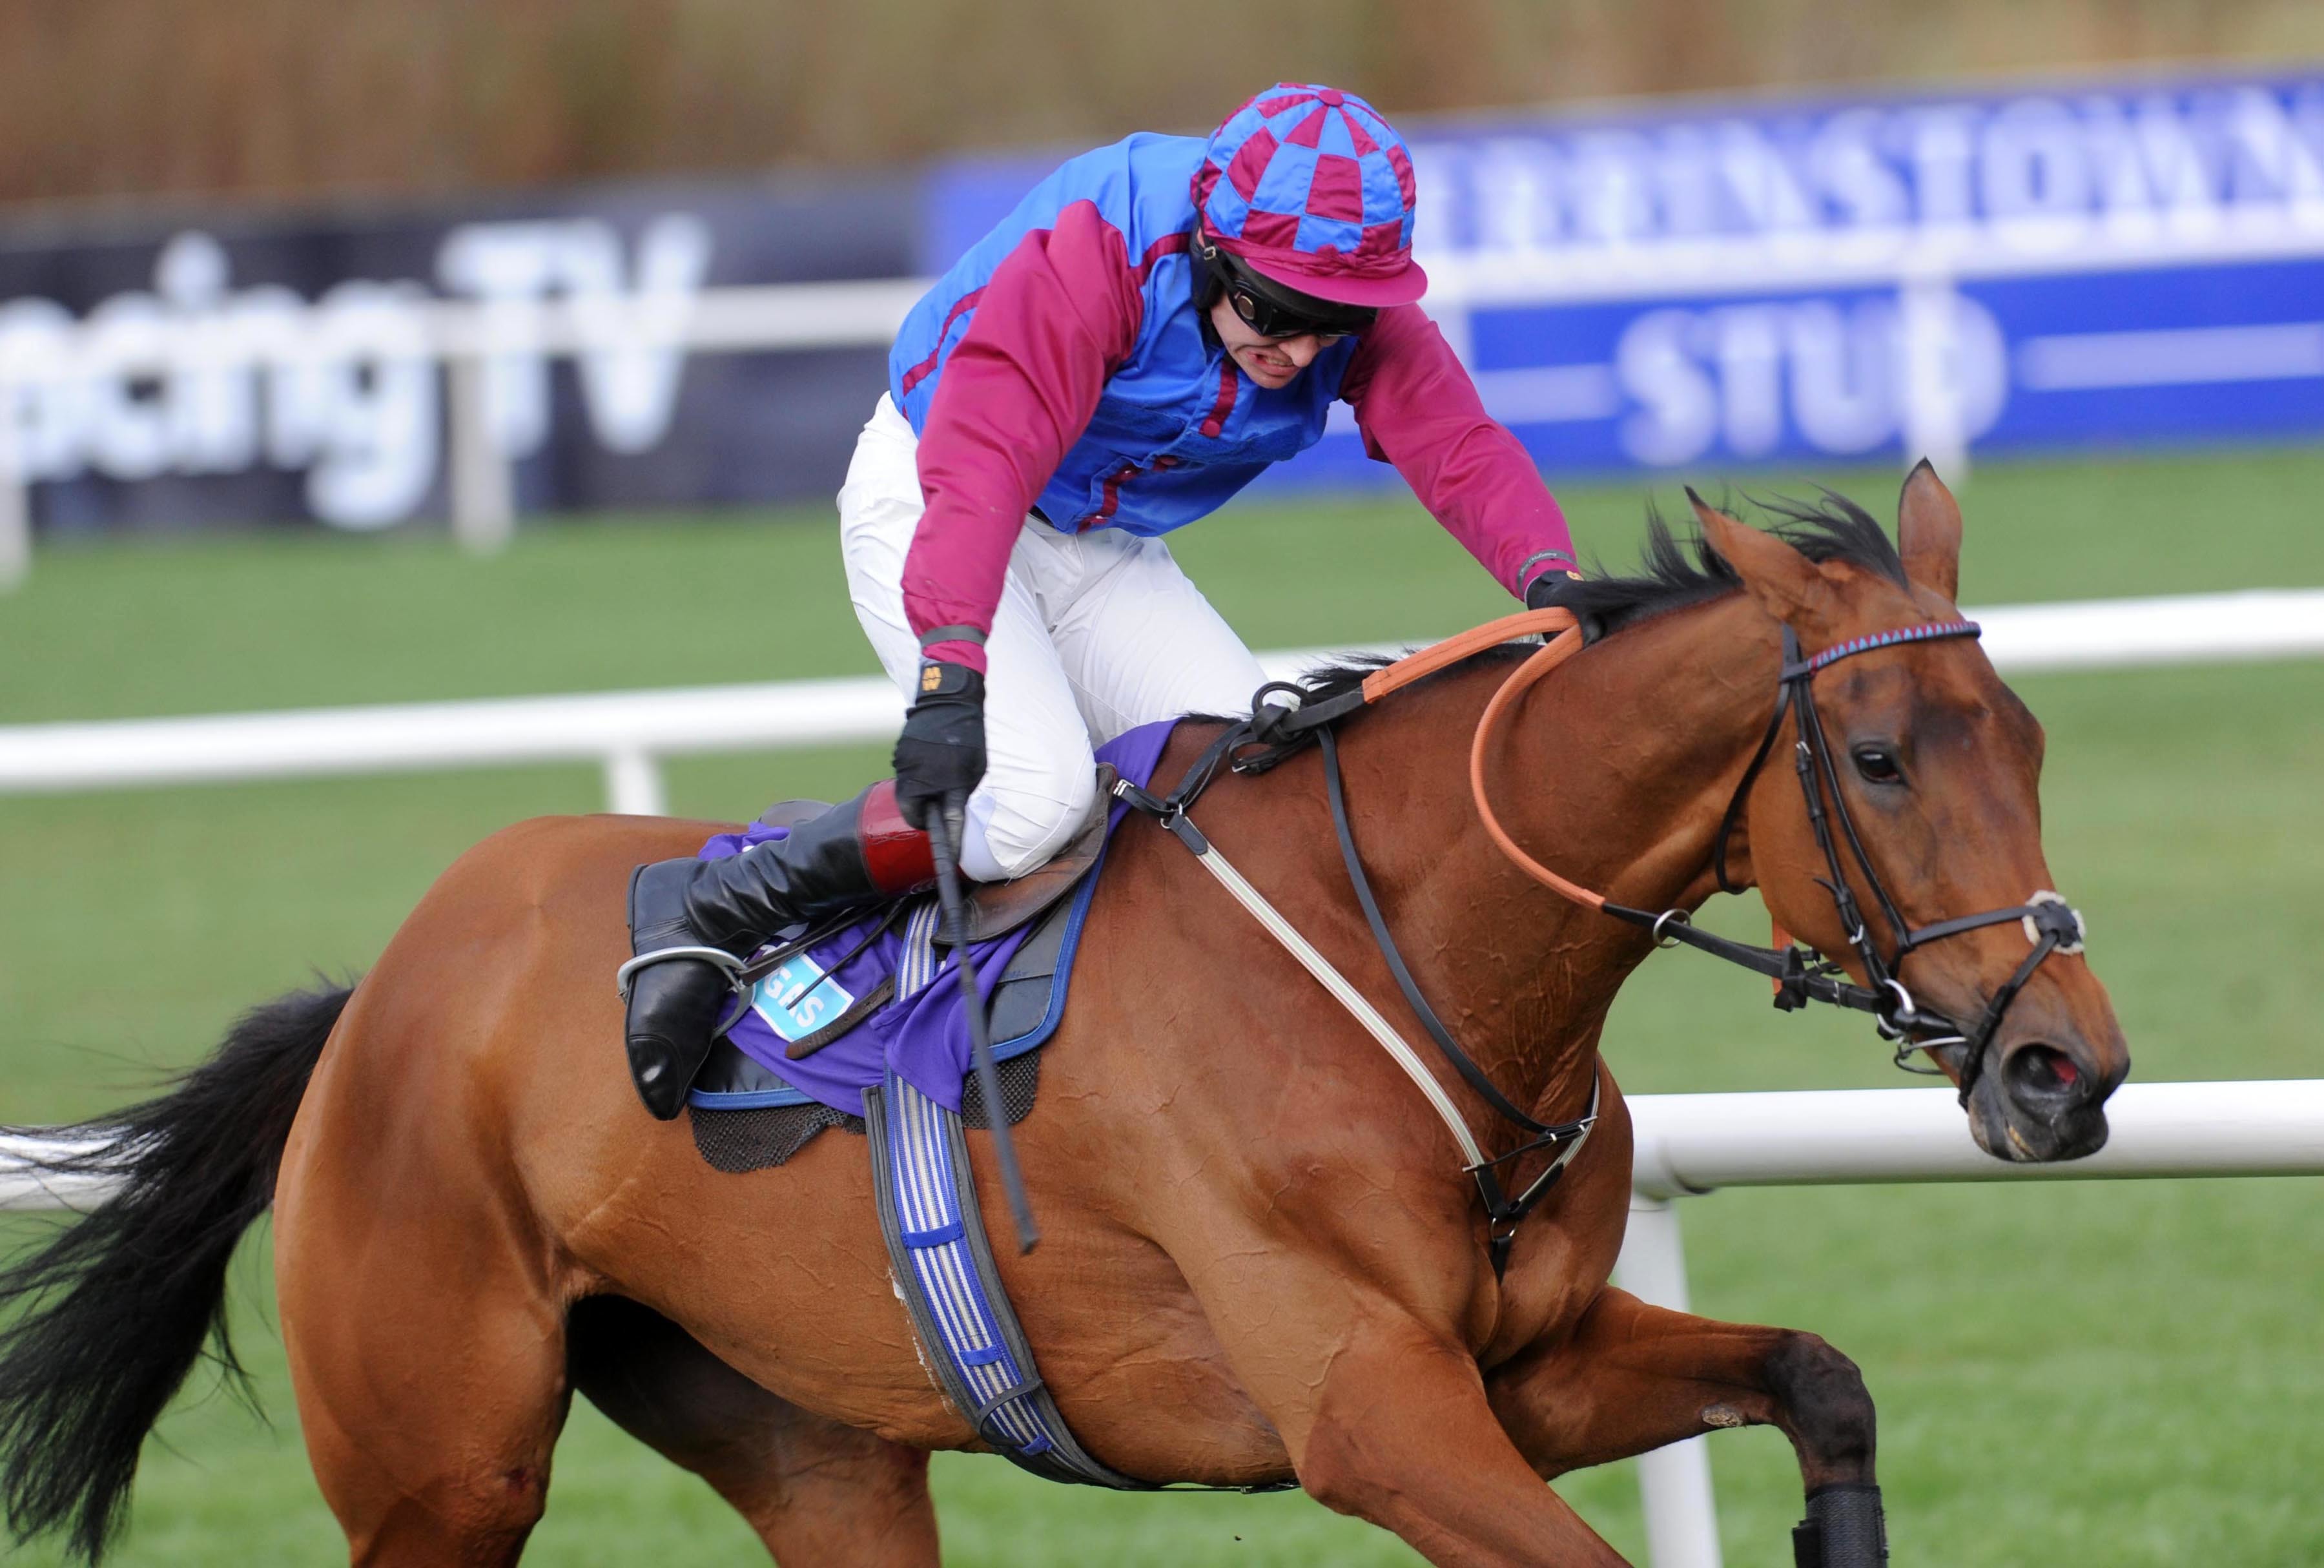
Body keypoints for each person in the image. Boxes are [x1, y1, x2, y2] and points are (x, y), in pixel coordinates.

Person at [618, 82, 1589, 1118]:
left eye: (1334, 324)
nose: (1303, 352)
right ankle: (720, 898)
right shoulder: (1098, 248)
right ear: (1210, 250)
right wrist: (952, 673)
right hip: (937, 491)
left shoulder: (1335, 287)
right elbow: (982, 468)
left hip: (1093, 540)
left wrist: (1557, 586)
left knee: (1258, 804)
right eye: (1276, 312)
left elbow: (1456, 445)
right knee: (1035, 806)